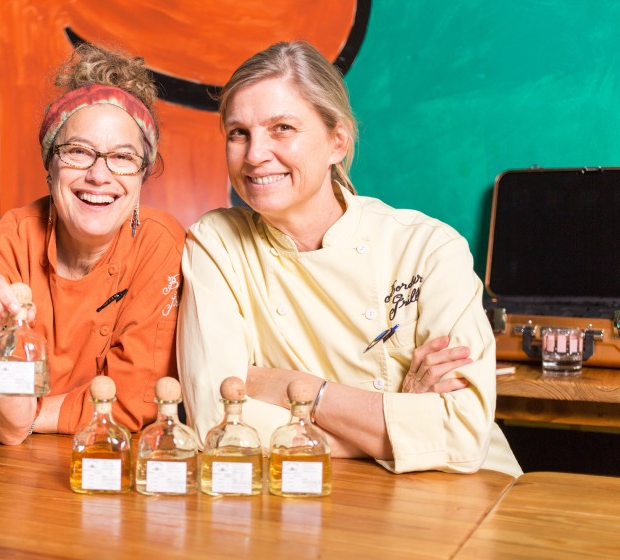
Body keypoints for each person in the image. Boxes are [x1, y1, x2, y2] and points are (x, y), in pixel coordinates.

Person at [177, 41, 521, 476]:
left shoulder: (429, 247)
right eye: (238, 133)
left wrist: (297, 388)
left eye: (282, 128)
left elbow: (462, 437)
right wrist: (402, 425)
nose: (255, 154)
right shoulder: (217, 243)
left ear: (337, 142)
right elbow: (218, 426)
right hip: (316, 492)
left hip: (469, 491)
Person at [0, 44, 184, 449]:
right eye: (78, 152)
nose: (99, 175)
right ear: (49, 165)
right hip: (3, 472)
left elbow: (133, 402)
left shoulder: (161, 246)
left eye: (123, 157)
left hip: (109, 464)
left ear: (142, 176)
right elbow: (9, 429)